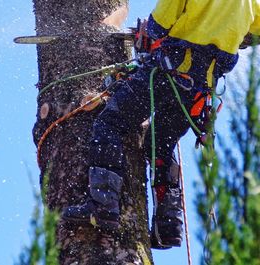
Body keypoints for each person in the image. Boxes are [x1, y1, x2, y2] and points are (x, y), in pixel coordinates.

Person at [62, 0, 260, 249]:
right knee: (160, 146)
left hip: (167, 74)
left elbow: (159, 24)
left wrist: (148, 33)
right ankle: (168, 226)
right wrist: (226, 37)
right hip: (197, 92)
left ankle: (103, 205)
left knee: (110, 123)